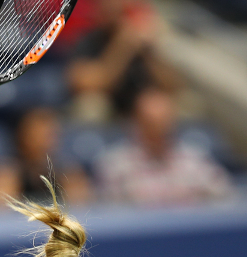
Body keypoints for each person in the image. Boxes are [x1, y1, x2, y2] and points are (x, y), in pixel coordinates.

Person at [95, 85, 233, 207]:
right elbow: (111, 215)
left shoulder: (195, 160)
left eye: (164, 122)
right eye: (151, 123)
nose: (160, 129)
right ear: (137, 123)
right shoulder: (116, 166)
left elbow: (225, 201)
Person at [0, 107, 92, 209]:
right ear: (23, 135)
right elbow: (0, 213)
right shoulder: (7, 172)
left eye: (51, 132)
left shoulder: (69, 171)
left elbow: (81, 209)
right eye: (40, 132)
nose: (48, 138)